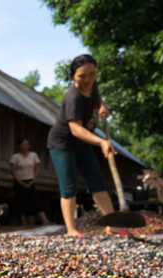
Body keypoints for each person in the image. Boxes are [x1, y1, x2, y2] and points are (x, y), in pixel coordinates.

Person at [47, 54, 122, 237]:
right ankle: (71, 230)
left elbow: (96, 96)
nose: (88, 79)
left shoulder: (92, 86)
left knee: (97, 181)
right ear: (73, 76)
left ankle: (112, 225)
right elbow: (76, 129)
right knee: (69, 186)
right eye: (82, 76)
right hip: (62, 143)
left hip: (82, 144)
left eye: (92, 74)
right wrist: (102, 141)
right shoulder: (73, 97)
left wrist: (102, 106)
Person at [10, 137, 51, 226]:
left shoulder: (33, 155)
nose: (26, 146)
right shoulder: (15, 157)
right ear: (19, 146)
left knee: (36, 200)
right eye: (24, 144)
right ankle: (23, 222)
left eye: (27, 144)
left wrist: (33, 180)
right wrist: (20, 182)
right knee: (20, 201)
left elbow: (36, 169)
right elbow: (14, 170)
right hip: (19, 181)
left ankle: (45, 220)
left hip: (30, 181)